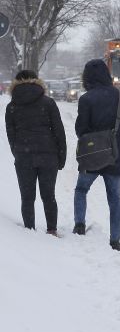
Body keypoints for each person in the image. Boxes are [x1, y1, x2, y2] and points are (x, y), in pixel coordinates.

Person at [73, 59, 120, 251]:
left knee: (81, 190)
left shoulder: (86, 99)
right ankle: (115, 240)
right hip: (116, 155)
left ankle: (79, 225)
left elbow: (81, 129)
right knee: (114, 199)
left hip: (93, 155)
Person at [5, 69, 67, 235]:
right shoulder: (48, 103)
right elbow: (59, 132)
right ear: (36, 81)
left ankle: (29, 231)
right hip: (49, 157)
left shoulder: (11, 106)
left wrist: (18, 152)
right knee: (48, 195)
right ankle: (52, 230)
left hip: (24, 157)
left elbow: (11, 135)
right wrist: (61, 157)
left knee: (27, 197)